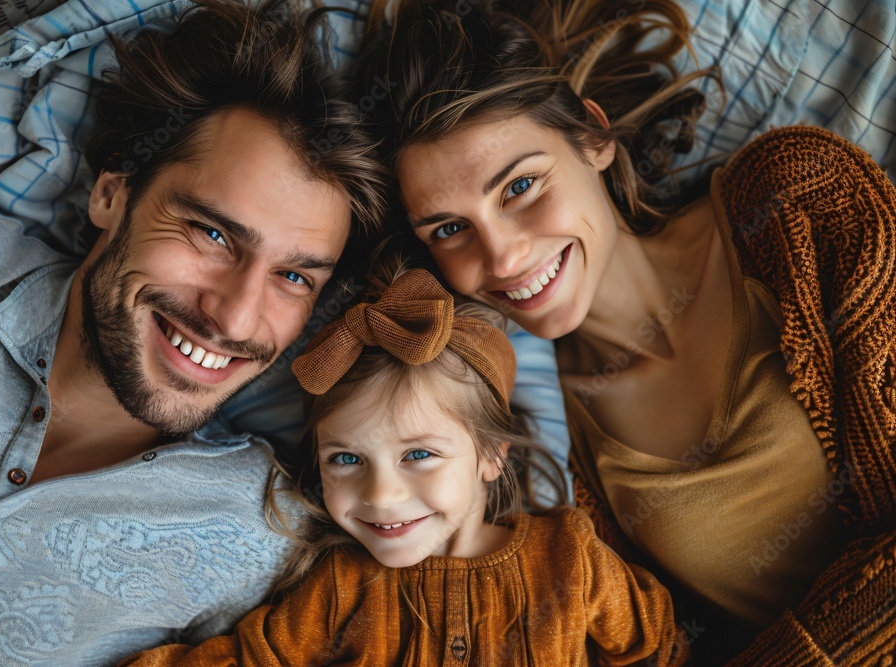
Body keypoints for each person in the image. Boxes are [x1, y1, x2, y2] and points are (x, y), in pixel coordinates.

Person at [357, 0, 896, 663]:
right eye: (448, 229)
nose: (501, 258)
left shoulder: (798, 203)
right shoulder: (544, 458)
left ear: (593, 137)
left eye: (521, 185)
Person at [0, 0, 389, 664]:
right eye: (212, 233)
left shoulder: (264, 545)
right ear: (112, 194)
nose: (236, 317)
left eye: (294, 277)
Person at [119, 267, 688, 667]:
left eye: (419, 454)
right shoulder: (342, 589)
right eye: (345, 459)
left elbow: (661, 646)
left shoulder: (571, 559)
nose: (382, 494)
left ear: (491, 455)